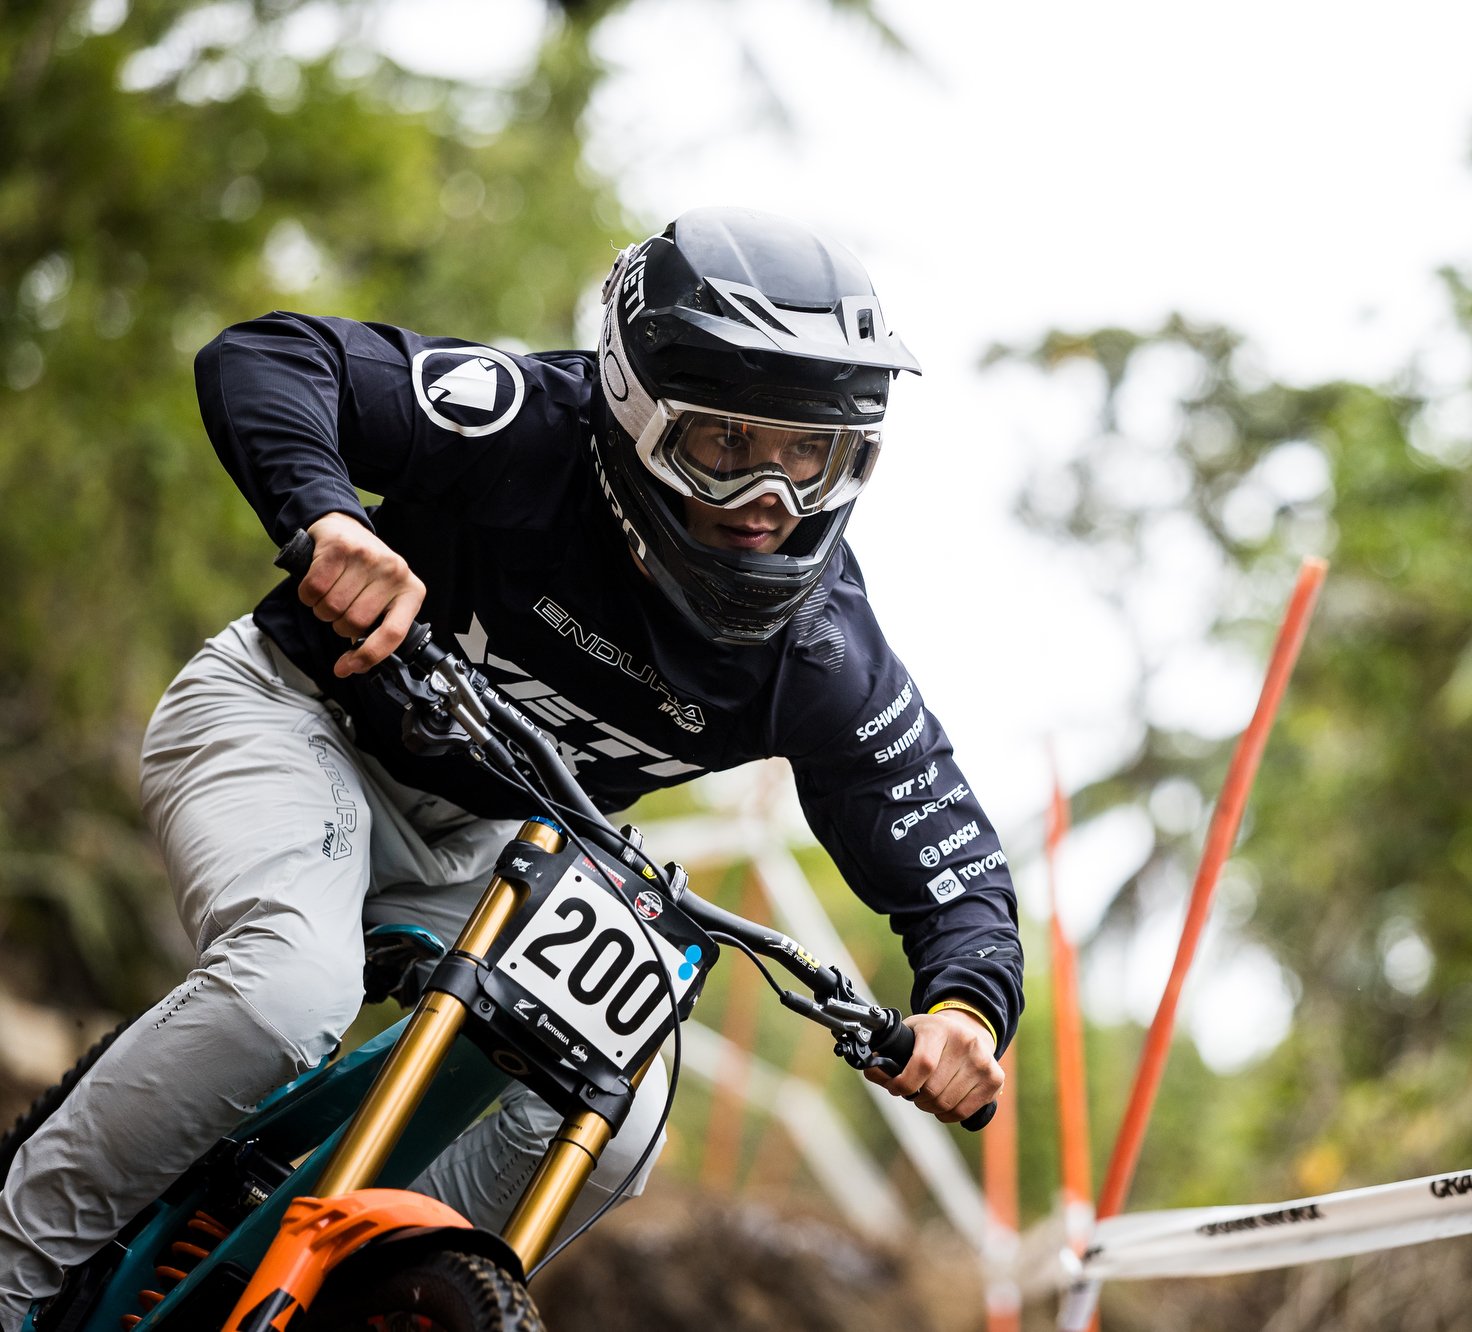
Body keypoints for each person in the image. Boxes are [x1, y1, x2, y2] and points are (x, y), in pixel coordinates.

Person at [0, 207, 1022, 1329]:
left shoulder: (822, 655)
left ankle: (321, 1296)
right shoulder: (525, 424)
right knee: (285, 997)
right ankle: (15, 1262)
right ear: (634, 411)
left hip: (494, 840)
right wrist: (328, 519)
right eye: (726, 448)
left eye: (809, 459)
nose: (767, 507)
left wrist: (965, 1007)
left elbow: (939, 843)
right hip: (296, 721)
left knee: (612, 1120)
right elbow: (269, 359)